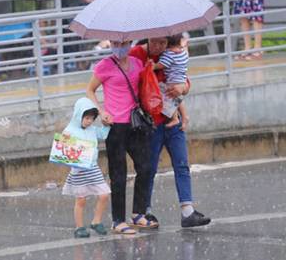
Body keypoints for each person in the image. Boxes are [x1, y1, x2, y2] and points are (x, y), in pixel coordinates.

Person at [129, 37, 211, 228]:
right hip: (150, 123)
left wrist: (183, 87)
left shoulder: (169, 53)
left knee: (182, 165)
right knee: (148, 169)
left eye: (163, 43)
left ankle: (187, 211)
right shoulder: (137, 54)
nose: (159, 47)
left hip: (172, 119)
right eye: (155, 42)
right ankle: (145, 210)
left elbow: (184, 81)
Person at [86, 40, 157, 235]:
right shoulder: (104, 65)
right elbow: (90, 89)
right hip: (115, 126)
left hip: (135, 123)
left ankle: (138, 213)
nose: (120, 46)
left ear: (130, 43)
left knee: (145, 167)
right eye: (116, 42)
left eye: (124, 42)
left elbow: (145, 84)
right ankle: (118, 220)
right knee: (118, 174)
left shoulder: (137, 63)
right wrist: (101, 111)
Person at [61, 97, 111, 238]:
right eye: (86, 118)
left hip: (93, 167)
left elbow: (102, 134)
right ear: (78, 115)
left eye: (91, 118)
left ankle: (96, 221)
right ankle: (79, 227)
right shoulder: (69, 131)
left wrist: (106, 125)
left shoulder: (92, 129)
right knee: (81, 199)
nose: (89, 121)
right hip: (78, 170)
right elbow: (63, 151)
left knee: (104, 194)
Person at [153, 33, 190, 126]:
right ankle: (184, 116)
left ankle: (175, 118)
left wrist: (153, 66)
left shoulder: (169, 54)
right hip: (181, 78)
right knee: (177, 99)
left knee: (167, 97)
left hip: (173, 81)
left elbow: (162, 64)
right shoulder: (183, 53)